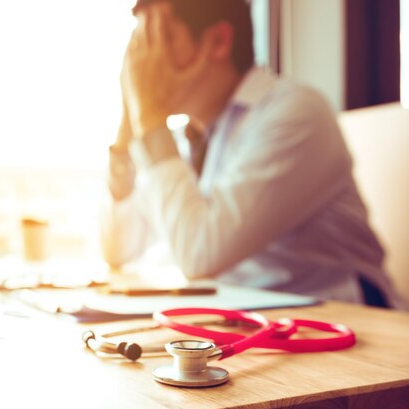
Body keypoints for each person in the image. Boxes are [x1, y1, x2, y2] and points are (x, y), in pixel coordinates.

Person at [100, 0, 406, 309]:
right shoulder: (184, 141)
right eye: (139, 43)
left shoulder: (294, 113)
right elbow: (118, 250)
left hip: (345, 324)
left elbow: (198, 253)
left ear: (218, 42)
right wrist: (128, 125)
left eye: (158, 38)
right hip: (249, 321)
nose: (141, 62)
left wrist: (148, 116)